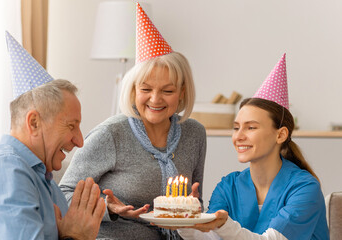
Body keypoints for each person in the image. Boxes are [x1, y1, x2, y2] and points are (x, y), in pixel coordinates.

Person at [59, 3, 206, 240]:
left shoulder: (194, 134)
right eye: (146, 89)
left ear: (182, 92)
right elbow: (63, 193)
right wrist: (108, 208)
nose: (155, 99)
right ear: (132, 90)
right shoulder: (111, 134)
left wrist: (194, 206)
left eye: (167, 91)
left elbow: (193, 201)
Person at [0, 32, 106, 240]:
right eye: (71, 126)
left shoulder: (44, 180)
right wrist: (74, 236)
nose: (80, 140)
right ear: (34, 123)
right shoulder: (5, 170)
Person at [175, 54, 329, 240]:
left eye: (251, 127)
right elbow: (212, 238)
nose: (239, 136)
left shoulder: (304, 188)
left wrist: (224, 225)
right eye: (236, 128)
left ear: (280, 134)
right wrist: (184, 221)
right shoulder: (228, 186)